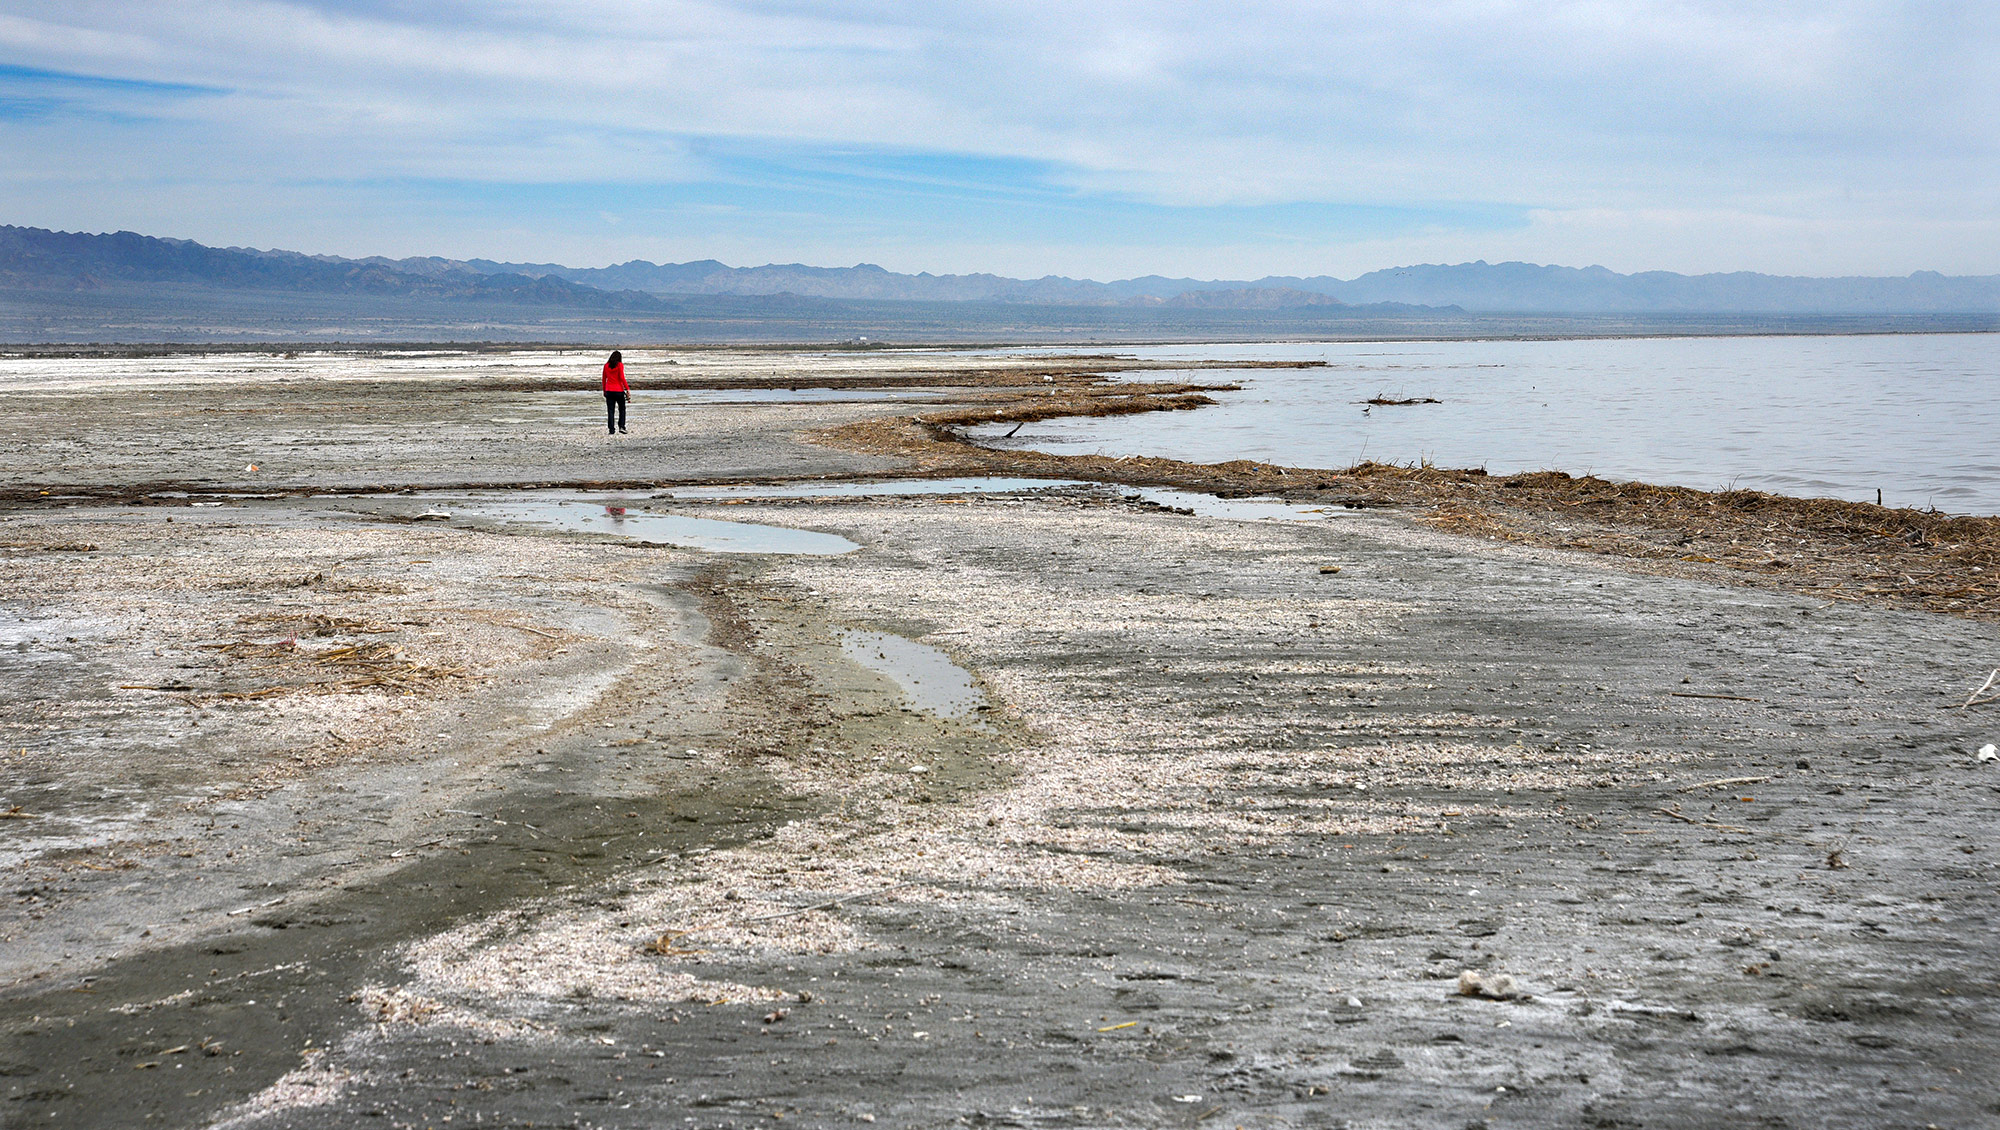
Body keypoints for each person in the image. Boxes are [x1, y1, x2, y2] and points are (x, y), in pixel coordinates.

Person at [601, 350, 629, 435]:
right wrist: (627, 388)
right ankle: (621, 426)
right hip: (619, 390)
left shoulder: (606, 366)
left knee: (610, 410)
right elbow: (621, 377)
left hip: (609, 390)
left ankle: (611, 429)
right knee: (622, 409)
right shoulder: (620, 365)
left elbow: (603, 379)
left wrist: (604, 390)